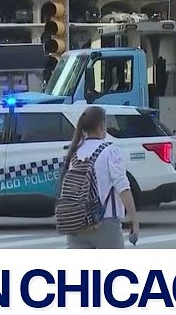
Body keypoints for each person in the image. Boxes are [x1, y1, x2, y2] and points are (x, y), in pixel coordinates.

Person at [59, 106, 139, 249]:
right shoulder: (110, 152)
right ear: (102, 125)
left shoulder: (75, 153)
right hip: (105, 222)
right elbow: (123, 188)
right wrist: (134, 220)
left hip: (77, 222)